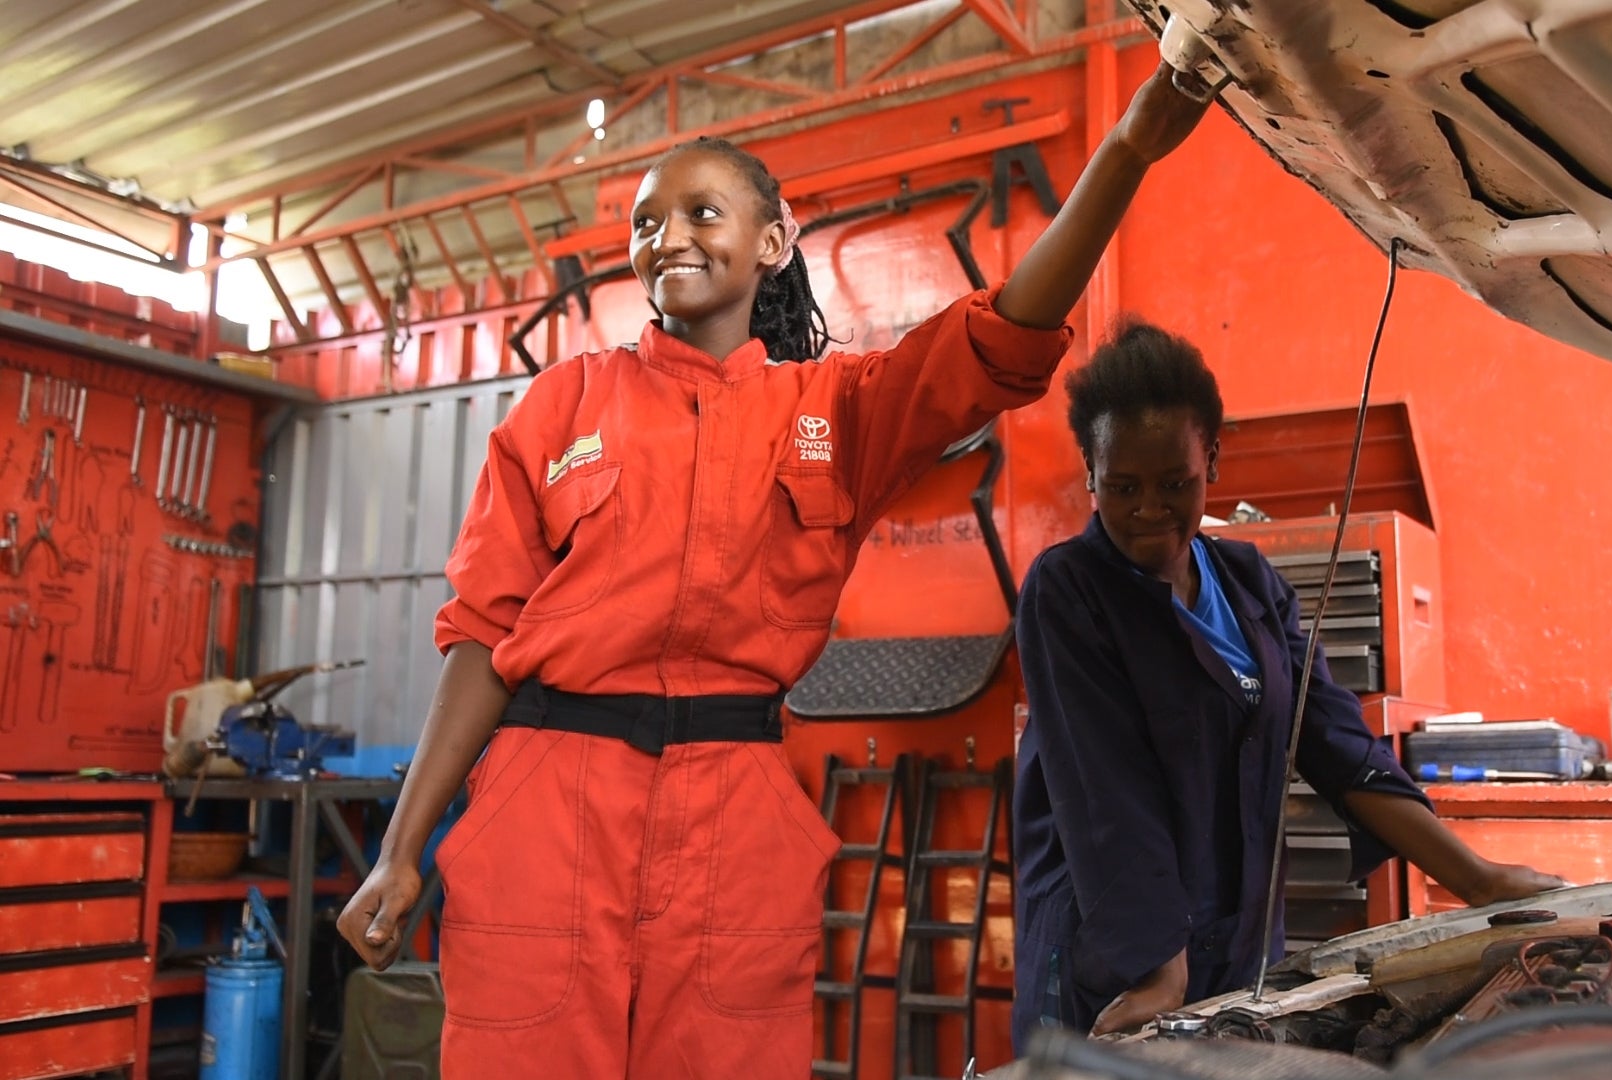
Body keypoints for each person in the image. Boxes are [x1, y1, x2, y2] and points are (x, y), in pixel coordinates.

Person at [335, 65, 1214, 1079]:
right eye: (646, 221)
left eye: (702, 213)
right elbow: (482, 636)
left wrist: (1126, 152)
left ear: (774, 241)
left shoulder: (837, 413)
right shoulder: (561, 406)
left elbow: (1001, 338)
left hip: (736, 818)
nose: (668, 237)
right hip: (547, 805)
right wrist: (400, 849)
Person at [1010, 320, 1566, 1049]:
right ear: (1090, 470)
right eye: (1123, 486)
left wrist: (1476, 878)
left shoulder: (1248, 582)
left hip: (1237, 939)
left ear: (1212, 458)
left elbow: (1333, 737)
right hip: (1115, 952)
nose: (1149, 508)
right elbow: (1103, 787)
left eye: (1175, 483)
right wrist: (1157, 971)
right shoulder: (1068, 591)